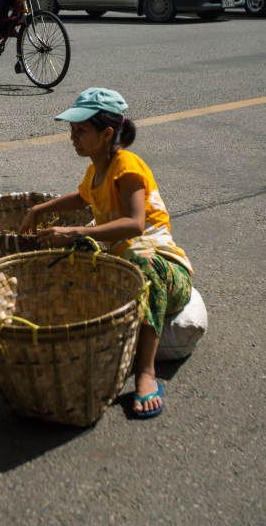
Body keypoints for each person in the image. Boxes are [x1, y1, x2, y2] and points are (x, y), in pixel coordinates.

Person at [17, 88, 193, 419]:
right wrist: (37, 210)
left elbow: (135, 224)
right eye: (72, 130)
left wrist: (76, 231)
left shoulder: (126, 166)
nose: (73, 137)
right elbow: (82, 198)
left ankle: (146, 373)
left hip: (165, 271)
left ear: (107, 133)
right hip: (122, 263)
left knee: (141, 260)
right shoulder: (97, 167)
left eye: (81, 131)